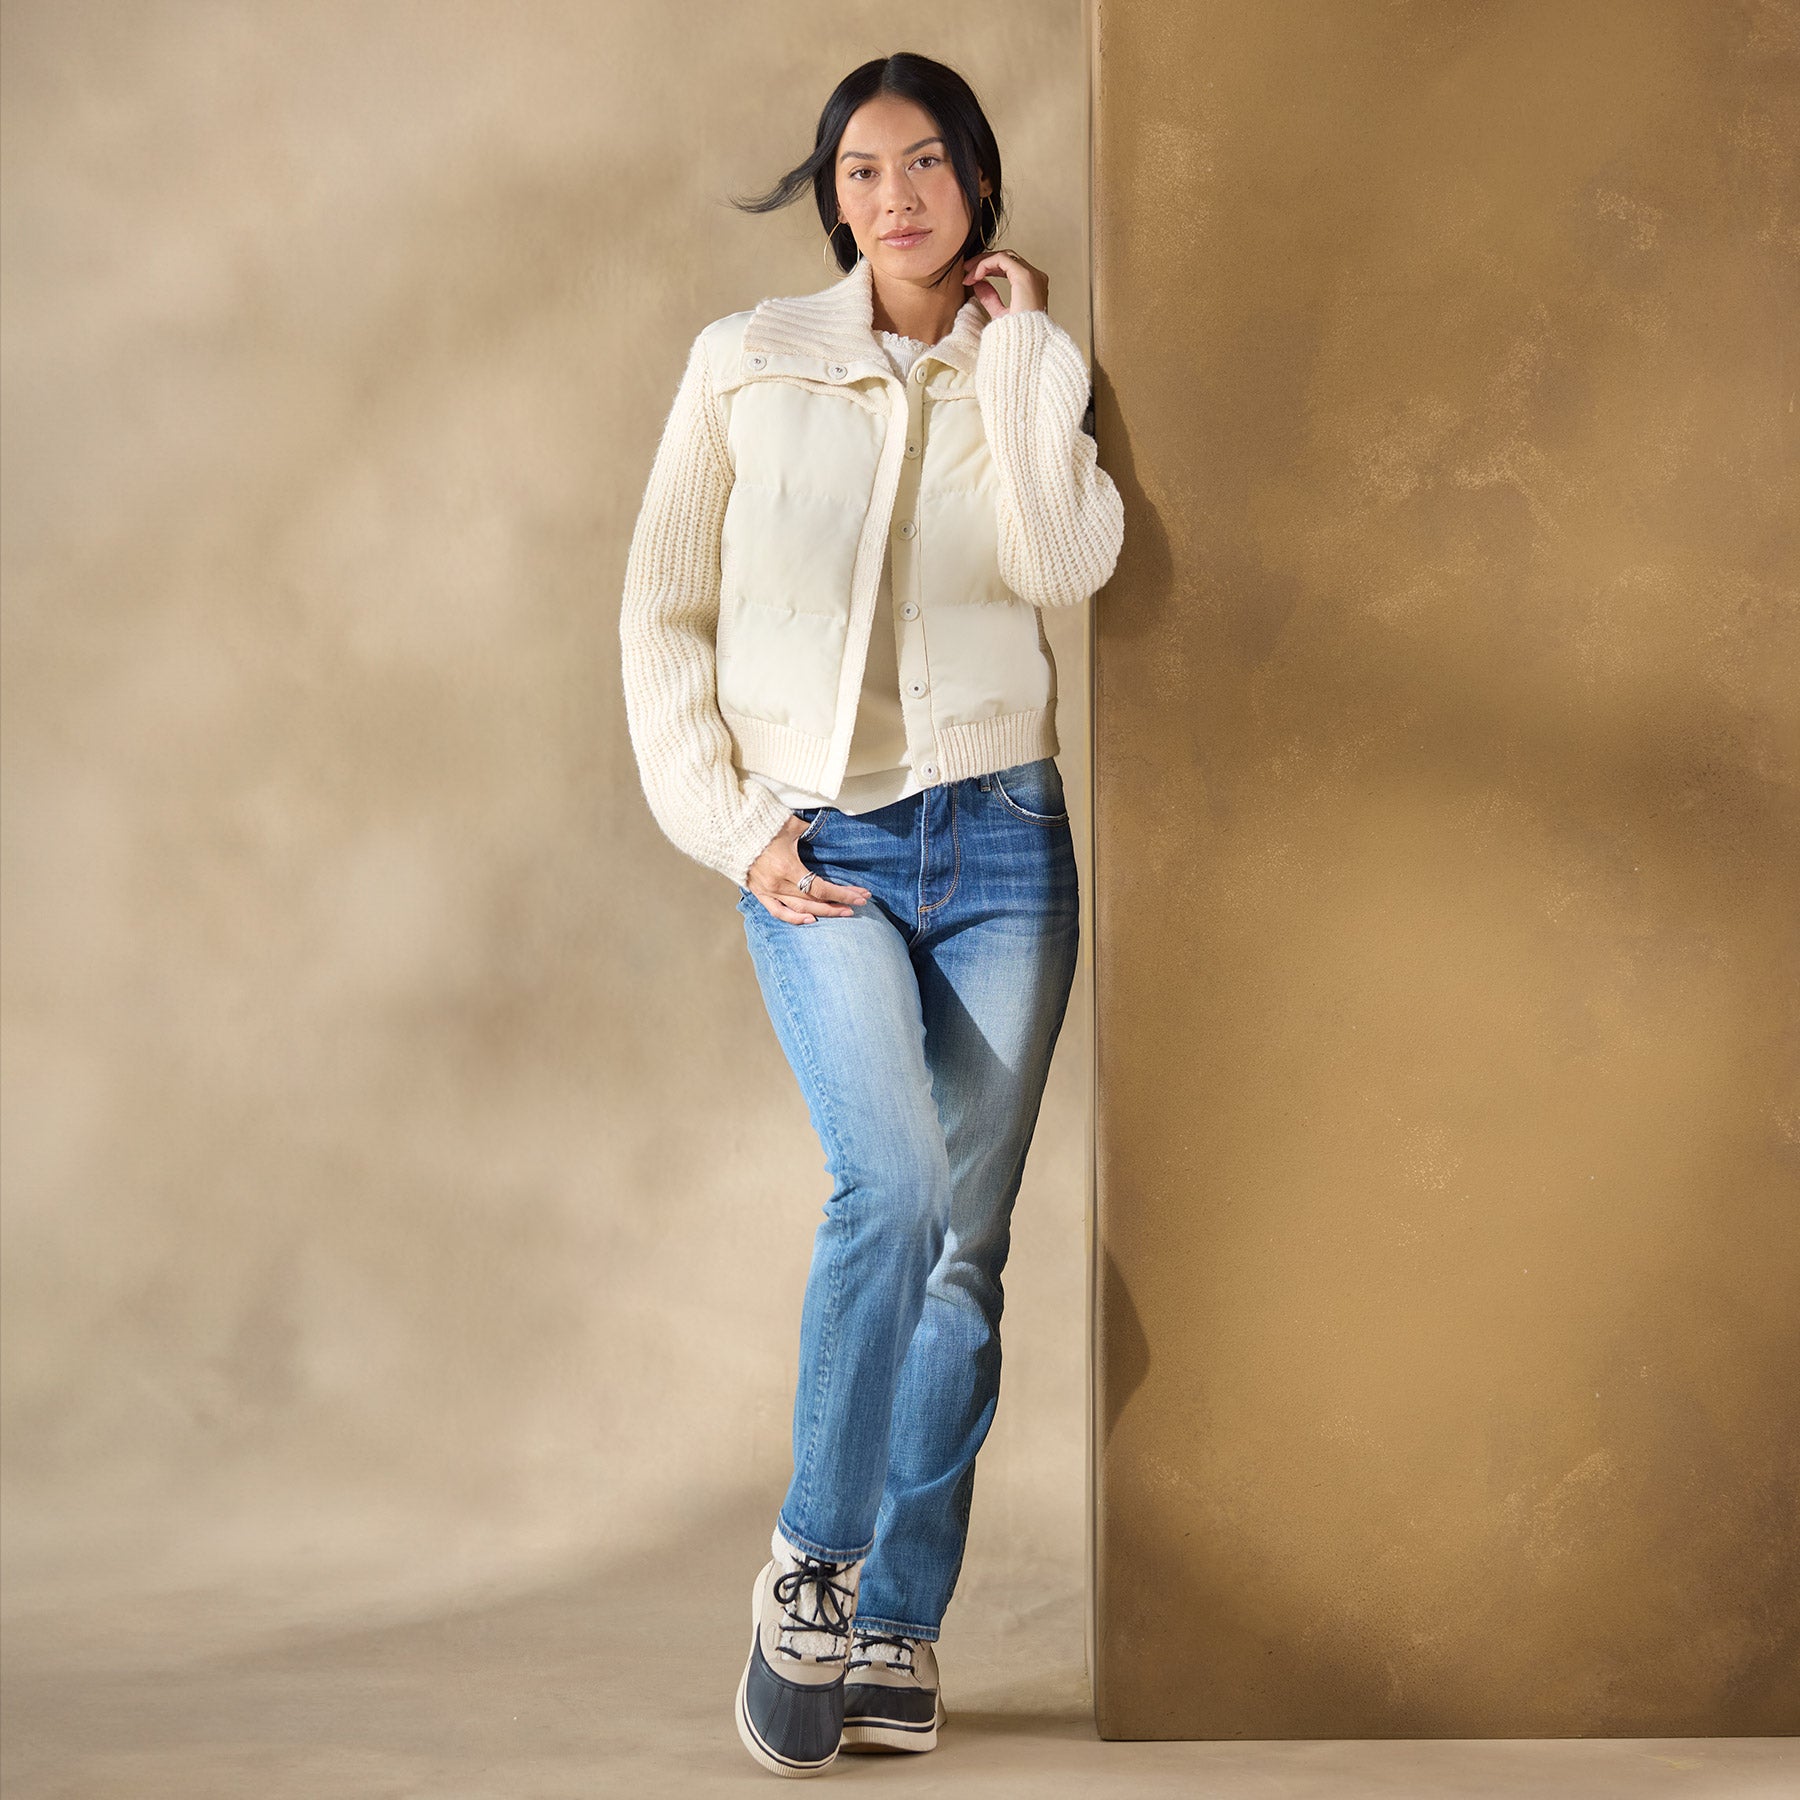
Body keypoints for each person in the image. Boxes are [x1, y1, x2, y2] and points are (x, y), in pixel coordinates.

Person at [618, 51, 1123, 1779]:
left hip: (1002, 846)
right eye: (859, 170)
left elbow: (1068, 563)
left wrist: (1026, 355)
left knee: (967, 1250)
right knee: (892, 1185)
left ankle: (904, 1623)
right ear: (831, 196)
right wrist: (734, 824)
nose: (891, 195)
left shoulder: (1027, 369)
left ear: (976, 179)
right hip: (817, 845)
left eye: (922, 164)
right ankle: (814, 1578)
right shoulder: (749, 359)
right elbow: (661, 609)